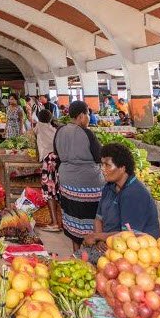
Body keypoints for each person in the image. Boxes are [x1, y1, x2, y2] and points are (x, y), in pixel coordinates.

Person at [81, 143, 160, 262]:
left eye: (107, 165)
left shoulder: (134, 194)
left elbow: (128, 235)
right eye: (102, 164)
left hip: (134, 250)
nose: (103, 169)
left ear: (122, 168)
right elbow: (99, 218)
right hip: (109, 242)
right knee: (75, 262)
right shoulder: (109, 187)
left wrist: (97, 236)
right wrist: (99, 239)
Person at [55, 101, 105, 251]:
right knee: (92, 218)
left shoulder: (60, 131)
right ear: (82, 115)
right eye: (88, 114)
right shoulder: (87, 133)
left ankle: (76, 252)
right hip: (88, 183)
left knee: (71, 215)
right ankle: (92, 254)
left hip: (66, 181)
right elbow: (99, 157)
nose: (89, 118)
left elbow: (57, 154)